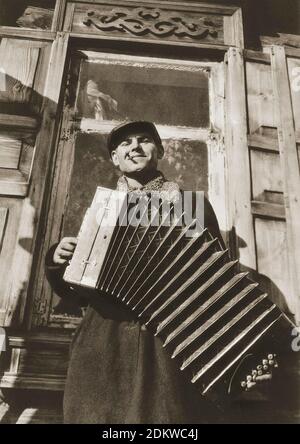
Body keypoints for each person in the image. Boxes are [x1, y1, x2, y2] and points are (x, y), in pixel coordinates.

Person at [45, 121, 273, 424]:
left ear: (160, 151)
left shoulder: (191, 205)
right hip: (103, 341)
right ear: (115, 158)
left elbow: (217, 283)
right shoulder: (102, 206)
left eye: (144, 140)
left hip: (166, 344)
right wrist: (58, 259)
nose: (135, 147)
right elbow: (75, 286)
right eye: (125, 144)